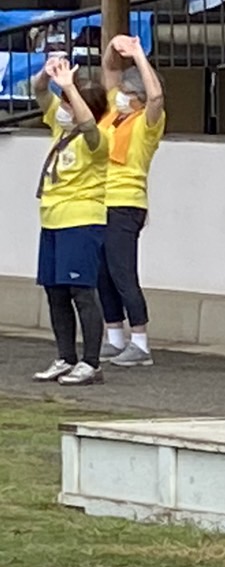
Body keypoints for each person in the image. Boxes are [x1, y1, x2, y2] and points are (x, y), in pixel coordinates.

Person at [31, 57, 110, 386]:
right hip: (52, 218)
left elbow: (89, 124)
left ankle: (91, 362)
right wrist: (47, 73)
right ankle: (65, 356)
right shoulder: (59, 127)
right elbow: (37, 90)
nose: (63, 109)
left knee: (81, 291)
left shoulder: (96, 141)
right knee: (55, 291)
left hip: (81, 219)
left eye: (69, 103)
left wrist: (70, 89)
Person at [95, 35, 166, 368]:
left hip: (126, 203)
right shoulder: (113, 114)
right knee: (102, 273)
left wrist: (139, 55)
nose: (121, 95)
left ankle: (140, 341)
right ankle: (114, 336)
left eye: (128, 93)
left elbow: (156, 95)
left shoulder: (147, 123)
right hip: (99, 200)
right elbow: (108, 68)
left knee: (123, 271)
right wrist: (114, 46)